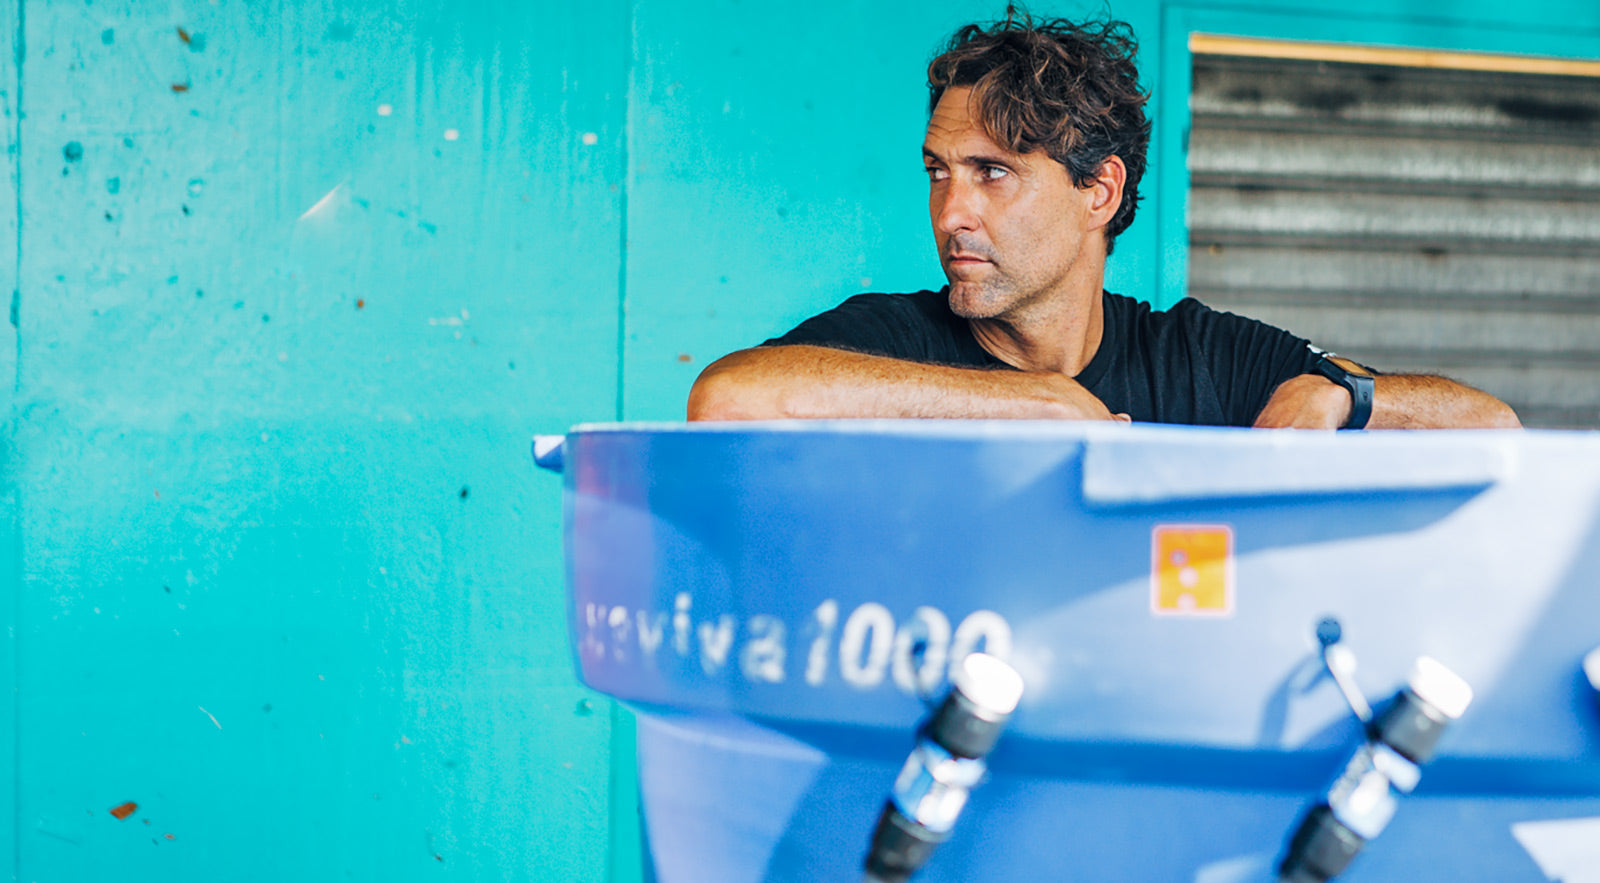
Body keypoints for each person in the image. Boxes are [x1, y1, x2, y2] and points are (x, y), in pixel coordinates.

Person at [685, 11, 1520, 429]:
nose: (952, 211)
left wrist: (1342, 396)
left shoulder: (1202, 360)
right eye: (940, 173)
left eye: (992, 173)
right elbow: (726, 397)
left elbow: (1490, 423)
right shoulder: (893, 340)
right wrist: (1028, 404)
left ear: (1100, 191)